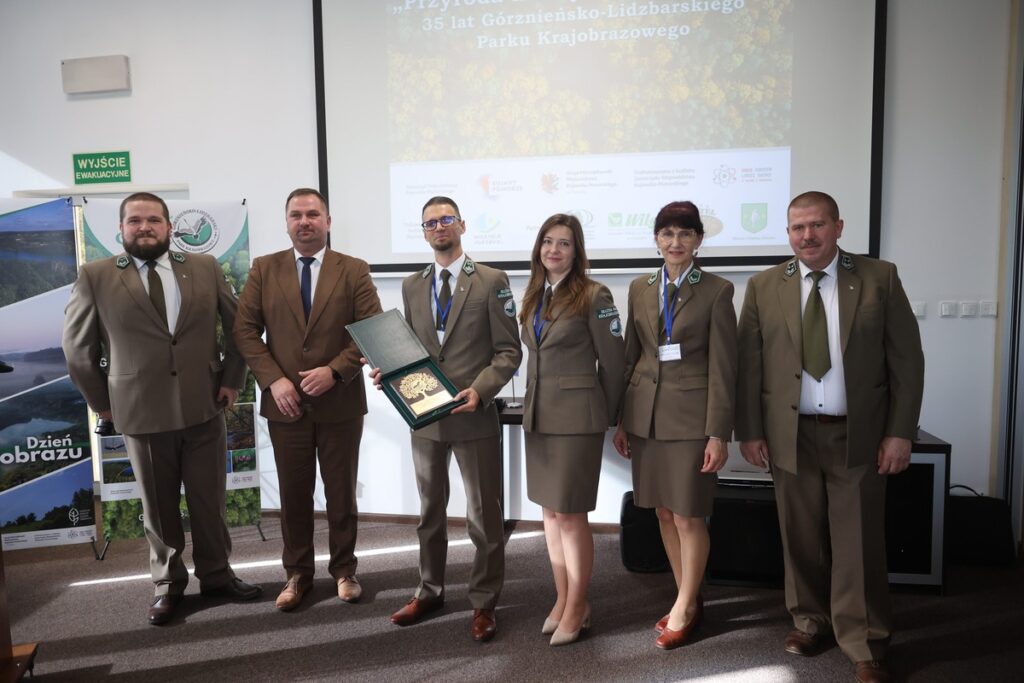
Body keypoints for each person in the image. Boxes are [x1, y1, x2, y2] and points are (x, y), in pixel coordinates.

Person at [736, 191, 925, 683]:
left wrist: (900, 433)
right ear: (788, 232)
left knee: (858, 542)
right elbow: (749, 367)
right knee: (799, 537)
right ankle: (809, 621)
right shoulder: (763, 286)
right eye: (797, 228)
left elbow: (907, 361)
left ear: (838, 227)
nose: (807, 236)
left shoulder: (879, 278)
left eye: (817, 225)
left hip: (858, 435)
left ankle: (865, 643)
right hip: (789, 435)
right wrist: (751, 432)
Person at [62, 192, 261, 626]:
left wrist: (232, 379)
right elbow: (77, 351)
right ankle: (168, 585)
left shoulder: (204, 269)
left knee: (210, 502)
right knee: (158, 507)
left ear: (170, 228)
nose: (145, 227)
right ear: (121, 230)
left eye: (154, 219)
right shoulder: (95, 277)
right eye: (135, 221)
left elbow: (238, 326)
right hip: (139, 413)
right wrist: (103, 404)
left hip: (205, 406)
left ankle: (217, 575)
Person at [371, 196, 521, 642]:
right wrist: (390, 374)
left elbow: (509, 351)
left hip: (474, 416)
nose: (439, 227)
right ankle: (430, 590)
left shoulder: (491, 280)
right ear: (423, 232)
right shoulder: (413, 285)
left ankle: (483, 602)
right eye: (430, 222)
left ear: (462, 225)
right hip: (426, 421)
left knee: (482, 516)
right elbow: (412, 353)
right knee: (429, 513)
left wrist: (482, 390)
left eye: (446, 219)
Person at [233, 188, 382, 611]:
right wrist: (274, 381)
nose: (305, 221)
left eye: (313, 214)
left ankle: (345, 571)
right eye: (296, 214)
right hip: (285, 406)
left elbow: (370, 329)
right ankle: (297, 574)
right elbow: (245, 332)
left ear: (328, 222)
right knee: (293, 494)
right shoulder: (265, 269)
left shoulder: (353, 269)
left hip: (340, 404)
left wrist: (335, 370)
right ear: (286, 222)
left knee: (340, 494)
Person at [613, 200, 736, 650]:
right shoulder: (640, 287)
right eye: (667, 233)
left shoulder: (718, 291)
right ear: (656, 239)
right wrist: (623, 419)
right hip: (646, 416)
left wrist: (718, 432)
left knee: (687, 514)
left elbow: (725, 368)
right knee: (663, 511)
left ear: (698, 240)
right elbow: (632, 356)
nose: (675, 242)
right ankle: (688, 596)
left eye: (685, 234)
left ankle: (684, 605)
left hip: (691, 419)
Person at [519, 214, 625, 646]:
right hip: (539, 417)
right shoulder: (533, 294)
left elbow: (614, 364)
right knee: (549, 513)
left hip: (577, 420)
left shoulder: (594, 295)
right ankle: (564, 598)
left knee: (571, 514)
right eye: (547, 241)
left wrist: (611, 418)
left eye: (564, 244)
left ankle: (579, 604)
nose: (554, 250)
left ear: (577, 252)